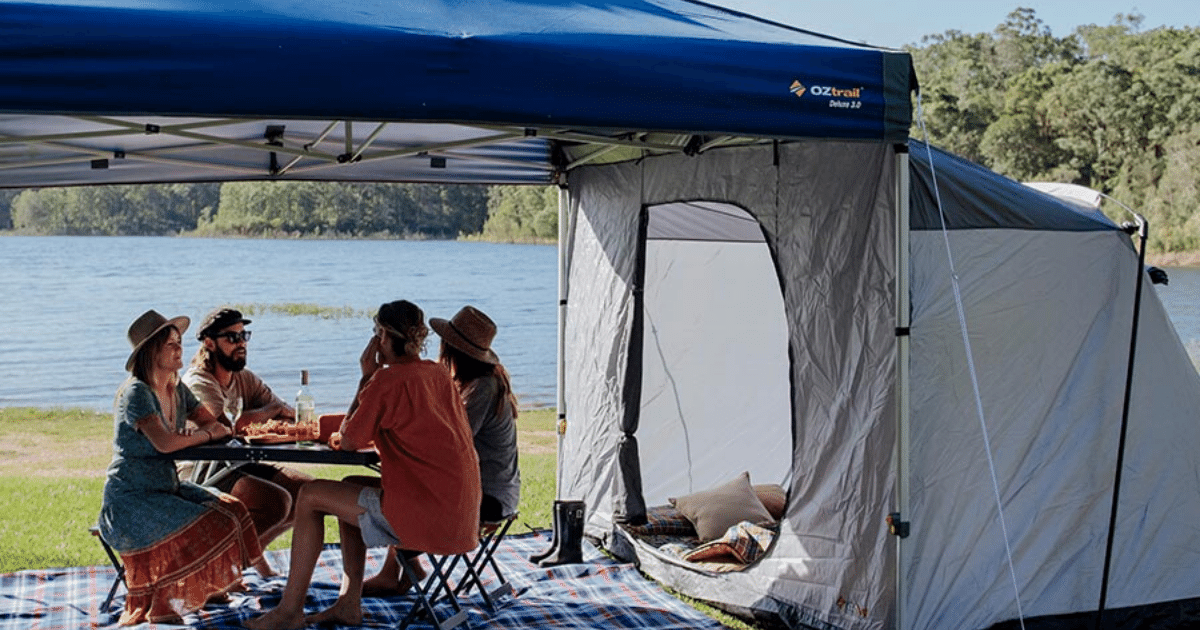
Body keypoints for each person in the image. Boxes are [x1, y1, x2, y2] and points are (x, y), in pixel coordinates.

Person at [245, 300, 481, 630]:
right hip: (461, 515)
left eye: (377, 333)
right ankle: (347, 603)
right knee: (351, 483)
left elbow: (350, 439)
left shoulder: (387, 381)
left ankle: (289, 610)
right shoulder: (439, 373)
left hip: (424, 518)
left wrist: (366, 379)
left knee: (310, 496)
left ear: (383, 336)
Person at [98, 310, 263, 626]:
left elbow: (220, 427)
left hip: (166, 487)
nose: (179, 350)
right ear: (151, 352)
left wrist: (198, 433)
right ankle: (163, 602)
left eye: (179, 343)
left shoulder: (178, 388)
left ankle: (209, 586)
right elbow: (165, 444)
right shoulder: (137, 392)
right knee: (207, 524)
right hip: (130, 499)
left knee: (232, 511)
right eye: (171, 345)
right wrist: (200, 435)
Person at [359, 304, 521, 597]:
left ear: (452, 347)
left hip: (488, 496)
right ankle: (395, 570)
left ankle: (400, 569)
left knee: (416, 490)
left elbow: (449, 443)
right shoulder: (482, 382)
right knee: (413, 485)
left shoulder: (481, 389)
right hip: (498, 489)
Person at [182, 307, 314, 574]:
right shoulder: (199, 382)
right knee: (277, 502)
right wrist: (265, 414)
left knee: (309, 494)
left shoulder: (242, 377)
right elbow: (225, 428)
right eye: (232, 337)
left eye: (244, 335)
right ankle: (215, 574)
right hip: (200, 469)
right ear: (209, 342)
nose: (241, 343)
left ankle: (247, 558)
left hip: (237, 463)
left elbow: (284, 409)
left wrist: (267, 415)